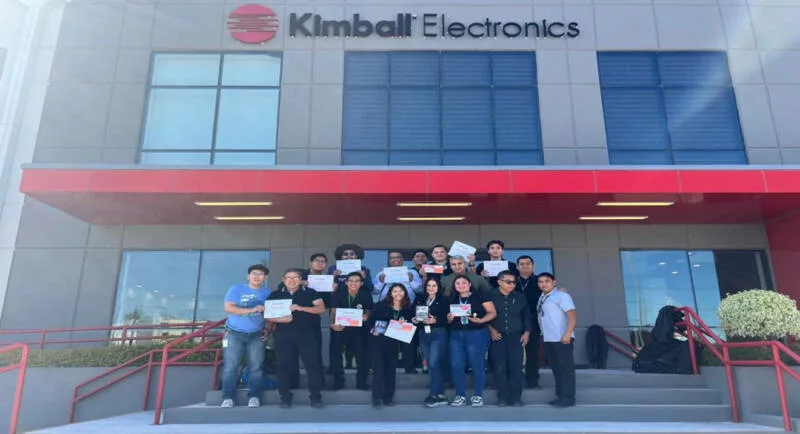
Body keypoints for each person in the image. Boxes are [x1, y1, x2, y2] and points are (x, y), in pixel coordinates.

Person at [266, 268, 326, 409]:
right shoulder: (275, 295)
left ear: (300, 280)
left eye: (295, 277)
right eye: (288, 277)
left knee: (312, 366)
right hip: (283, 335)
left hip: (307, 335)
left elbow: (321, 309)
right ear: (283, 279)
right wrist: (282, 320)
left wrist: (301, 308)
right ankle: (285, 398)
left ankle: (316, 397)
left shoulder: (310, 292)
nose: (291, 280)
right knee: (283, 366)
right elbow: (268, 316)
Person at [220, 264, 271, 408]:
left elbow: (272, 314)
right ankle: (228, 397)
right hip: (234, 333)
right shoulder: (236, 289)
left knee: (256, 367)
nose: (257, 276)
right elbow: (228, 308)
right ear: (248, 276)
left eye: (260, 274)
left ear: (265, 277)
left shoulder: (268, 293)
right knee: (231, 367)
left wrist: (268, 329)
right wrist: (253, 309)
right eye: (254, 273)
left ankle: (254, 396)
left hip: (256, 334)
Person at [446, 275, 497, 407]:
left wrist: (481, 320)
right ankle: (460, 395)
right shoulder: (452, 298)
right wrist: (449, 318)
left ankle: (478, 395)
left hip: (476, 333)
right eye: (458, 283)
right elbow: (447, 319)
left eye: (464, 282)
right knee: (456, 364)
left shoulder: (480, 296)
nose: (461, 285)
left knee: (477, 363)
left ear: (469, 284)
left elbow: (492, 312)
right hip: (456, 334)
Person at [488, 270, 531, 407]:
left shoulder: (519, 297)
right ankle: (503, 397)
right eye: (508, 282)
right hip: (498, 337)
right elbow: (483, 315)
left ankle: (516, 397)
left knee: (516, 368)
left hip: (516, 337)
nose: (512, 284)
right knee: (500, 368)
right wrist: (491, 330)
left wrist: (527, 332)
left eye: (514, 282)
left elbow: (526, 316)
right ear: (499, 282)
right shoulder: (490, 296)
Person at [369, 283, 414, 408]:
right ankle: (376, 398)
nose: (398, 293)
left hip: (394, 342)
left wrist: (409, 322)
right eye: (395, 291)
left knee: (390, 370)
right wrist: (372, 329)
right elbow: (371, 322)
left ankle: (388, 398)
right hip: (379, 341)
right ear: (390, 293)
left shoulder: (407, 308)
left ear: (405, 293)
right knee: (379, 369)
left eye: (401, 291)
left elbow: (410, 325)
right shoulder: (380, 306)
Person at [537, 272, 577, 408]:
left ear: (554, 282)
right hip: (549, 339)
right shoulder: (542, 297)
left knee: (566, 369)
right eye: (541, 282)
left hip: (562, 338)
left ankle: (568, 398)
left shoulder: (562, 296)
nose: (544, 284)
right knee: (556, 369)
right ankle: (560, 395)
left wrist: (568, 333)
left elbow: (572, 316)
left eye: (547, 281)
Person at [329, 271, 373, 390]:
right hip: (341, 328)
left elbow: (369, 310)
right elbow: (333, 311)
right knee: (337, 354)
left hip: (359, 329)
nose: (354, 283)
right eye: (351, 281)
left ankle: (362, 382)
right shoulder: (338, 294)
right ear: (346, 282)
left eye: (357, 281)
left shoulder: (366, 294)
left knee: (361, 355)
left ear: (361, 283)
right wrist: (332, 324)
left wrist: (367, 316)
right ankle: (338, 382)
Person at [412, 277, 449, 407]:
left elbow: (448, 319)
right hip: (423, 333)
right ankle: (441, 395)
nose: (431, 288)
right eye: (429, 285)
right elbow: (412, 313)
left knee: (433, 363)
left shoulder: (444, 300)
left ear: (438, 287)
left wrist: (436, 320)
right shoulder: (420, 298)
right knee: (431, 364)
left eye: (434, 285)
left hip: (438, 333)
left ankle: (433, 395)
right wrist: (414, 319)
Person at [516, 255, 542, 388]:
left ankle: (532, 381)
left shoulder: (539, 281)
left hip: (534, 320)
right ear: (517, 267)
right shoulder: (512, 281)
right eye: (522, 264)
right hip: (514, 320)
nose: (525, 266)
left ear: (533, 266)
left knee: (532, 352)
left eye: (528, 264)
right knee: (514, 353)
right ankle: (515, 381)